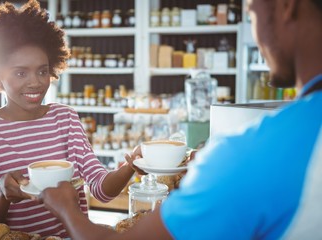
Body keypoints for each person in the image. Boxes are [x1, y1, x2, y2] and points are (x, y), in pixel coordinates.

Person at [38, 0, 322, 239]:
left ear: (285, 6)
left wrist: (67, 210)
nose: (255, 35)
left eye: (251, 14)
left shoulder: (246, 154)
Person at [0, 0, 139, 238]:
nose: (35, 82)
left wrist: (130, 166)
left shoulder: (64, 118)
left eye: (43, 71)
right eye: (20, 72)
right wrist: (1, 192)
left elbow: (101, 189)